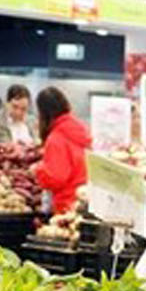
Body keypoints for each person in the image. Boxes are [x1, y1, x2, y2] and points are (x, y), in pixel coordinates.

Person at [34, 87, 90, 215]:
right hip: (82, 201)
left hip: (65, 206)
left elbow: (56, 178)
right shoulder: (80, 130)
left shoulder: (56, 138)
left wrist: (38, 170)